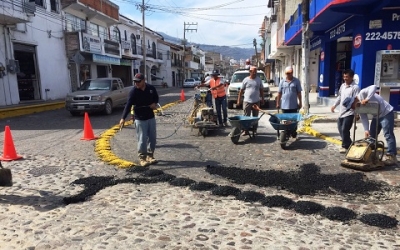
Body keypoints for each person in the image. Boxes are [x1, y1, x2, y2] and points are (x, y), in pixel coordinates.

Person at [343, 85, 397, 166]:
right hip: (376, 116)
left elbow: (374, 87)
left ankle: (391, 156)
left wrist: (367, 99)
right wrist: (366, 130)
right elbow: (364, 118)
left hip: (386, 113)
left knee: (388, 134)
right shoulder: (358, 107)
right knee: (371, 136)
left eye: (351, 106)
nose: (352, 109)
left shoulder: (362, 93)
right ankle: (371, 154)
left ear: (354, 101)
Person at [119, 73, 159, 167]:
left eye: (138, 81)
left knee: (152, 138)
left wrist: (154, 103)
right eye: (135, 82)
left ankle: (150, 155)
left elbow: (156, 98)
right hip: (140, 118)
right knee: (142, 139)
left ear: (143, 80)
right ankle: (142, 158)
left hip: (150, 117)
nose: (136, 83)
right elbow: (128, 105)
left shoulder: (151, 88)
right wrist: (123, 118)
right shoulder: (133, 92)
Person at [330, 69, 360, 153]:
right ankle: (349, 143)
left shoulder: (355, 88)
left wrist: (357, 113)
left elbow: (357, 100)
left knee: (344, 129)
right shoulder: (343, 86)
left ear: (352, 77)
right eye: (344, 76)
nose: (345, 78)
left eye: (347, 77)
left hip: (350, 112)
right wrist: (334, 105)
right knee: (340, 128)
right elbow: (339, 97)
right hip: (341, 112)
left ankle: (345, 146)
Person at [276, 66, 302, 138]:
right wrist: (277, 103)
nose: (289, 74)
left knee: (293, 121)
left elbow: (299, 93)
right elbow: (279, 93)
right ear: (285, 73)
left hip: (293, 105)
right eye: (287, 73)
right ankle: (286, 132)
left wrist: (300, 102)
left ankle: (293, 132)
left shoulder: (296, 81)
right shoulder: (282, 81)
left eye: (290, 73)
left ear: (292, 73)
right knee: (285, 121)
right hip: (284, 106)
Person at [237, 66, 264, 135]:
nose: (255, 73)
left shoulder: (259, 80)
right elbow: (241, 91)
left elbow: (261, 90)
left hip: (256, 101)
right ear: (250, 72)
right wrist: (239, 100)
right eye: (253, 71)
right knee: (246, 116)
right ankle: (245, 130)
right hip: (247, 101)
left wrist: (262, 99)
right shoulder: (246, 80)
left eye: (256, 71)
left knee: (255, 117)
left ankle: (254, 130)